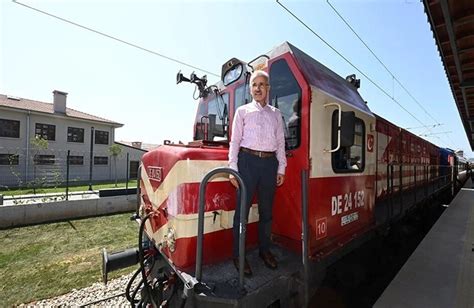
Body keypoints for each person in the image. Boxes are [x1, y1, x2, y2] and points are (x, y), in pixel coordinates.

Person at [228, 70, 287, 276]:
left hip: (269, 164)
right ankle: (239, 256)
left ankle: (264, 251)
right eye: (255, 84)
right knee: (241, 213)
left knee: (266, 213)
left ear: (268, 88)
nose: (258, 88)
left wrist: (281, 168)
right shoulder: (242, 112)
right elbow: (235, 141)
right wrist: (232, 168)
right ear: (251, 88)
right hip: (247, 163)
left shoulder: (276, 114)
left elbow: (280, 142)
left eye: (262, 84)